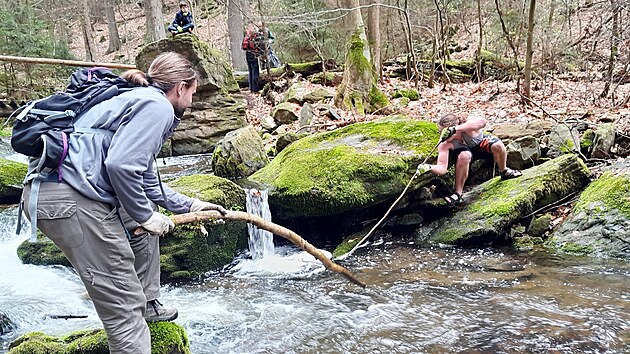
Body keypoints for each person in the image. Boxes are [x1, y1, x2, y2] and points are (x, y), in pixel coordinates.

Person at [21, 52, 227, 354]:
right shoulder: (158, 107)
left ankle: (149, 303)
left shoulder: (135, 98)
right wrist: (145, 214)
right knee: (124, 311)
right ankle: (136, 311)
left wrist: (190, 205)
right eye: (193, 92)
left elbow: (142, 178)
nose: (192, 101)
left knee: (139, 226)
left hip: (56, 193)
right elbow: (120, 166)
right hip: (71, 201)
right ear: (181, 87)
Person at [417, 113, 522, 206]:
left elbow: (482, 122)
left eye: (444, 131)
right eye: (440, 131)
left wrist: (456, 129)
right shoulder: (445, 143)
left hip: (480, 144)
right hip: (465, 152)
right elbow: (442, 168)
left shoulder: (467, 125)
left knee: (498, 145)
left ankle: (504, 170)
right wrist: (428, 167)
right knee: (463, 157)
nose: (442, 135)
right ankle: (458, 193)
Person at [242, 23, 262, 92]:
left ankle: (251, 88)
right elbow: (258, 45)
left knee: (250, 71)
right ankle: (255, 89)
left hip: (248, 54)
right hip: (253, 54)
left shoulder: (247, 35)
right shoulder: (253, 35)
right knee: (255, 71)